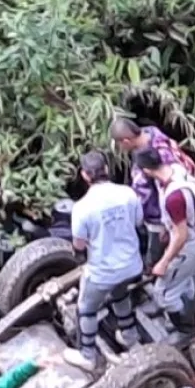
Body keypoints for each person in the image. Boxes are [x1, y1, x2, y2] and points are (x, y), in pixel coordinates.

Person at [132, 146, 195, 348]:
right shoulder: (176, 171)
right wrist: (167, 229)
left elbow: (181, 236)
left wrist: (164, 262)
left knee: (164, 293)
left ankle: (187, 332)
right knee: (185, 284)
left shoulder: (174, 197)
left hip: (190, 243)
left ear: (146, 170)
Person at [64, 150, 145, 372]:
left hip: (103, 272)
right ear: (107, 169)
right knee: (120, 293)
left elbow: (79, 244)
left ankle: (87, 355)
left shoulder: (81, 207)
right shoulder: (128, 193)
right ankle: (129, 336)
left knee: (86, 308)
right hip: (132, 265)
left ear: (84, 175)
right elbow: (138, 222)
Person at [110, 117, 195, 267]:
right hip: (151, 211)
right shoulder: (148, 134)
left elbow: (168, 188)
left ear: (126, 141)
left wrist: (166, 223)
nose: (120, 148)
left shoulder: (163, 155)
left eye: (119, 144)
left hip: (160, 215)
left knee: (156, 249)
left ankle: (156, 267)